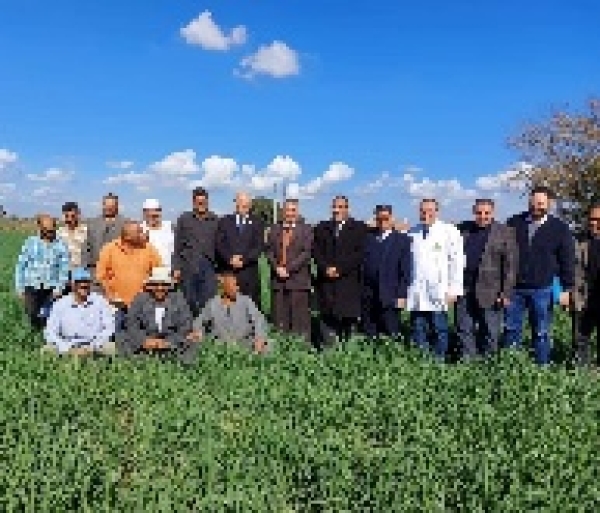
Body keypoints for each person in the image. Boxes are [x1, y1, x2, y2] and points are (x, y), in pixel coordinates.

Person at [505, 186, 575, 364]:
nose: (536, 206)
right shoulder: (514, 222)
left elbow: (566, 260)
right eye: (533, 202)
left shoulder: (560, 228)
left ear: (549, 204)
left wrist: (566, 288)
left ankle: (541, 367)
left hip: (542, 288)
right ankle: (511, 365)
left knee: (541, 331)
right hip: (515, 289)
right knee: (511, 329)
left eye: (540, 203)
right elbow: (504, 254)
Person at [456, 199, 517, 360]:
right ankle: (468, 362)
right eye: (479, 213)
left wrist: (506, 293)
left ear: (493, 213)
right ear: (473, 212)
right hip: (465, 288)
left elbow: (511, 266)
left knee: (490, 330)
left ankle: (488, 363)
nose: (482, 216)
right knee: (464, 328)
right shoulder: (463, 229)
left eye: (486, 213)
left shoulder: (505, 232)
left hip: (491, 290)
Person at [406, 198, 465, 359]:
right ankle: (422, 358)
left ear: (437, 212)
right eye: (423, 211)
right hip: (417, 289)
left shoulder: (449, 231)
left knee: (439, 327)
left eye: (430, 210)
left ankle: (439, 359)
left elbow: (457, 262)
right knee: (418, 327)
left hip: (440, 289)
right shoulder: (412, 232)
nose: (426, 214)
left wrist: (454, 289)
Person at [313, 195, 368, 347]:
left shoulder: (359, 228)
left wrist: (340, 269)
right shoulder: (321, 227)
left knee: (348, 316)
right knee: (327, 315)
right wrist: (325, 268)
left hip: (348, 281)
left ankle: (348, 348)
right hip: (326, 281)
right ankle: (329, 347)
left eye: (341, 207)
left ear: (347, 209)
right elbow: (316, 251)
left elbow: (360, 253)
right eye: (335, 207)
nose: (337, 210)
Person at [116, 267, 198, 363]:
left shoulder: (178, 299)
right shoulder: (140, 298)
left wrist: (168, 342)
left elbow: (186, 325)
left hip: (171, 342)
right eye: (155, 284)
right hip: (146, 340)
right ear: (150, 285)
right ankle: (140, 361)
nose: (159, 288)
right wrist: (144, 340)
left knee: (192, 341)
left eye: (164, 284)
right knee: (121, 337)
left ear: (169, 286)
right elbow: (131, 323)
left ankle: (175, 362)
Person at [95, 220, 162, 328]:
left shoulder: (149, 248)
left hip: (143, 304)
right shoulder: (109, 249)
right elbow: (101, 275)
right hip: (117, 305)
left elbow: (159, 272)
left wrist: (151, 292)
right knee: (117, 337)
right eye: (139, 232)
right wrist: (111, 295)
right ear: (127, 237)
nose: (143, 234)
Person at [265, 199, 313, 344]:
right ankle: (281, 348)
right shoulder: (274, 229)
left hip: (298, 281)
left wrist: (289, 269)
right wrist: (276, 267)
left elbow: (306, 253)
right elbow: (268, 251)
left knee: (300, 321)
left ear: (297, 212)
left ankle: (302, 350)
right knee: (280, 318)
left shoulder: (306, 230)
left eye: (293, 210)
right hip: (278, 282)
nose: (290, 213)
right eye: (287, 210)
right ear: (282, 212)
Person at [361, 204, 411, 339]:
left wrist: (402, 295)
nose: (382, 222)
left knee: (391, 329)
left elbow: (405, 270)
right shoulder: (367, 238)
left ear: (392, 219)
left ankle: (391, 355)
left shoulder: (403, 240)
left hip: (390, 293)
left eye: (386, 218)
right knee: (370, 329)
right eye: (379, 219)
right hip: (369, 294)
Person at [189, 270, 269, 353]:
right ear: (224, 287)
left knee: (267, 346)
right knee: (193, 344)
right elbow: (199, 321)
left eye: (237, 285)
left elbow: (259, 320)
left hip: (244, 342)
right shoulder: (213, 304)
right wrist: (197, 331)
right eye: (233, 286)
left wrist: (260, 338)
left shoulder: (246, 301)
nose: (237, 288)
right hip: (220, 345)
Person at [42, 267, 116, 356]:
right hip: (69, 343)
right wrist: (67, 347)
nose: (83, 285)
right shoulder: (60, 304)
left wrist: (92, 346)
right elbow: (50, 331)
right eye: (79, 282)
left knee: (116, 348)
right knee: (46, 350)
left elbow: (109, 327)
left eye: (86, 282)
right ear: (72, 285)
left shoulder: (100, 301)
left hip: (95, 344)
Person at [14, 214, 70, 329]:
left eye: (52, 229)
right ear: (40, 228)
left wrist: (59, 288)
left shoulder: (60, 245)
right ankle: (35, 332)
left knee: (50, 316)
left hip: (51, 287)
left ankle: (47, 336)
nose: (51, 233)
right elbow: (21, 266)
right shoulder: (30, 242)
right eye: (47, 230)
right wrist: (19, 287)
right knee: (32, 313)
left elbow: (64, 269)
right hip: (31, 285)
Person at [173, 187, 219, 316]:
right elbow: (177, 245)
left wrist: (221, 270)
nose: (202, 205)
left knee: (209, 298)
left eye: (204, 202)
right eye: (199, 202)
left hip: (209, 265)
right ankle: (190, 324)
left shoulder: (215, 219)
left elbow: (219, 246)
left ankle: (206, 326)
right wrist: (176, 267)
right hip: (189, 263)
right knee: (189, 298)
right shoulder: (184, 219)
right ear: (193, 203)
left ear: (207, 202)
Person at [564, 204, 600, 367]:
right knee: (580, 339)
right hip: (582, 298)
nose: (595, 223)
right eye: (592, 219)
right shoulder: (578, 240)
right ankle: (580, 375)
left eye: (598, 220)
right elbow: (568, 269)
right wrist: (567, 292)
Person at [215, 192, 265, 309]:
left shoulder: (257, 222)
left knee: (250, 303)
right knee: (229, 301)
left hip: (249, 271)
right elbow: (219, 244)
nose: (244, 206)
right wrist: (230, 258)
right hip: (229, 270)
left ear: (250, 205)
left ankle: (251, 326)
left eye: (247, 204)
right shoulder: (224, 221)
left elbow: (258, 246)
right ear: (236, 203)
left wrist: (243, 260)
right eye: (241, 203)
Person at [83, 193, 126, 288]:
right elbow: (86, 249)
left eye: (112, 206)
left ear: (117, 206)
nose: (109, 208)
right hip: (96, 276)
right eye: (106, 205)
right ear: (102, 205)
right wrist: (87, 271)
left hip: (119, 275)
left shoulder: (125, 223)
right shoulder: (92, 223)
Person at [141, 198, 174, 272]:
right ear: (144, 213)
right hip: (146, 273)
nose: (152, 216)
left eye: (155, 213)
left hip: (168, 272)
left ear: (160, 212)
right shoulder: (140, 229)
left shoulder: (170, 226)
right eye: (148, 213)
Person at [57, 201, 88, 271]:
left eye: (72, 216)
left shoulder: (87, 232)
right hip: (64, 271)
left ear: (78, 214)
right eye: (66, 216)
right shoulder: (59, 233)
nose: (69, 219)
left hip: (82, 272)